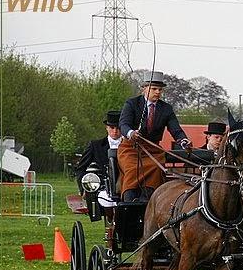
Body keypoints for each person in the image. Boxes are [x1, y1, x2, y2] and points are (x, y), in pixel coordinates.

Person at [118, 71, 191, 202]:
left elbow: (176, 130)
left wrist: (183, 141)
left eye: (160, 89)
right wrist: (131, 133)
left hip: (152, 150)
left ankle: (148, 198)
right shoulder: (131, 104)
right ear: (144, 89)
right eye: (154, 89)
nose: (157, 92)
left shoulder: (166, 109)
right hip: (130, 149)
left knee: (157, 167)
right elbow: (123, 124)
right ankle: (129, 199)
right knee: (131, 169)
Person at [75, 110, 122, 195]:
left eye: (118, 128)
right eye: (112, 128)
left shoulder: (131, 146)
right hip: (102, 189)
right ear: (106, 128)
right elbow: (81, 168)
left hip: (126, 187)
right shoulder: (95, 146)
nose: (115, 131)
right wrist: (84, 188)